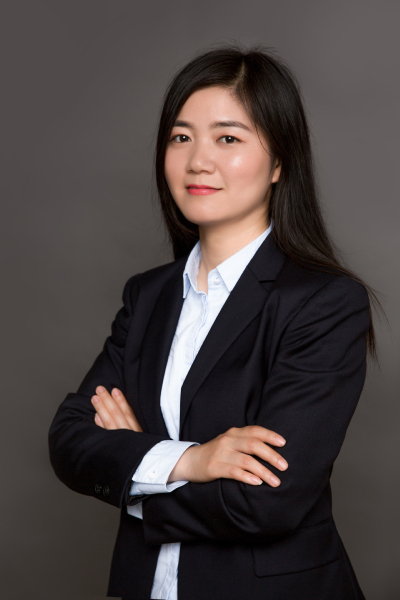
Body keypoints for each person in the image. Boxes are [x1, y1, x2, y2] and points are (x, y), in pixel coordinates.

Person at [48, 43, 382, 599]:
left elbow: (266, 502)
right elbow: (69, 441)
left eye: (228, 138)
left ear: (280, 162)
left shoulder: (324, 302)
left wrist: (137, 464)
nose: (197, 161)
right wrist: (195, 460)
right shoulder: (148, 296)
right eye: (181, 137)